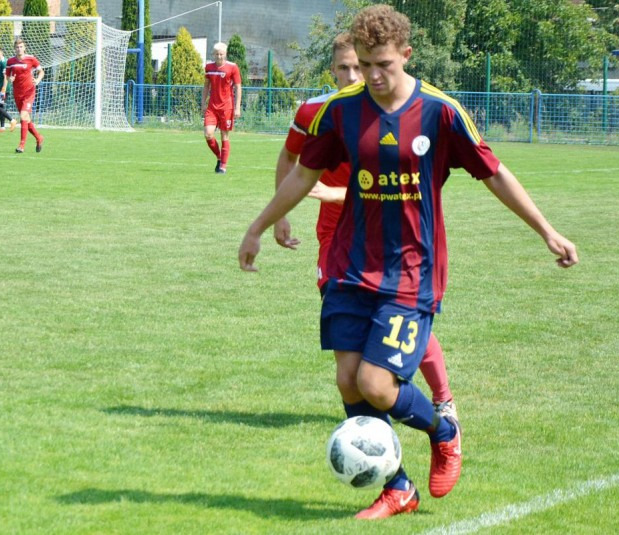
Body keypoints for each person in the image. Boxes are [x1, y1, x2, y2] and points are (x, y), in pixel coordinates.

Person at [239, 4, 578, 519]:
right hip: (351, 265)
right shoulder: (341, 111)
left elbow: (494, 174)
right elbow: (303, 174)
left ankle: (444, 431)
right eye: (365, 65)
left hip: (411, 271)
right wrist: (258, 226)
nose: (373, 76)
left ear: (406, 54)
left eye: (384, 65)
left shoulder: (441, 112)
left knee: (376, 384)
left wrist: (547, 230)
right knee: (348, 380)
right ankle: (398, 487)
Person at [273, 33, 459, 425]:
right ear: (332, 70)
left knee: (396, 319)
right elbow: (289, 157)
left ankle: (442, 400)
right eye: (345, 68)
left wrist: (335, 193)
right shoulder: (317, 112)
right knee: (349, 334)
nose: (354, 76)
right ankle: (378, 431)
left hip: (387, 236)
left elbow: (396, 188)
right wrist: (280, 215)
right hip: (334, 238)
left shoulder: (394, 111)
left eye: (360, 66)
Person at [202, 42, 242, 174]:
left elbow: (238, 87)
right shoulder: (209, 67)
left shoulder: (233, 67)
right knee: (208, 134)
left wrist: (237, 107)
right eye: (216, 54)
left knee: (224, 135)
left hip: (227, 107)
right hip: (212, 107)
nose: (219, 56)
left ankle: (223, 166)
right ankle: (219, 157)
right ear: (213, 54)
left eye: (221, 54)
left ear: (225, 54)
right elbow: (206, 86)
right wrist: (203, 102)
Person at [1, 37, 44, 154]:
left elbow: (41, 71)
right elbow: (8, 76)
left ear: (24, 48)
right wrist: (10, 80)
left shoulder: (31, 59)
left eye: (21, 47)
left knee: (23, 115)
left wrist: (38, 80)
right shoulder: (10, 61)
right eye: (17, 47)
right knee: (26, 120)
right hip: (17, 93)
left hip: (29, 92)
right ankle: (39, 138)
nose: (19, 49)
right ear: (14, 49)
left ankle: (22, 145)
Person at [0, 46, 16, 133]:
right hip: (0, 89)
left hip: (3, 89)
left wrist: (4, 88)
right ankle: (2, 127)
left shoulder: (4, 62)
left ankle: (12, 120)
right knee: (1, 107)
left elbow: (6, 76)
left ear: (2, 53)